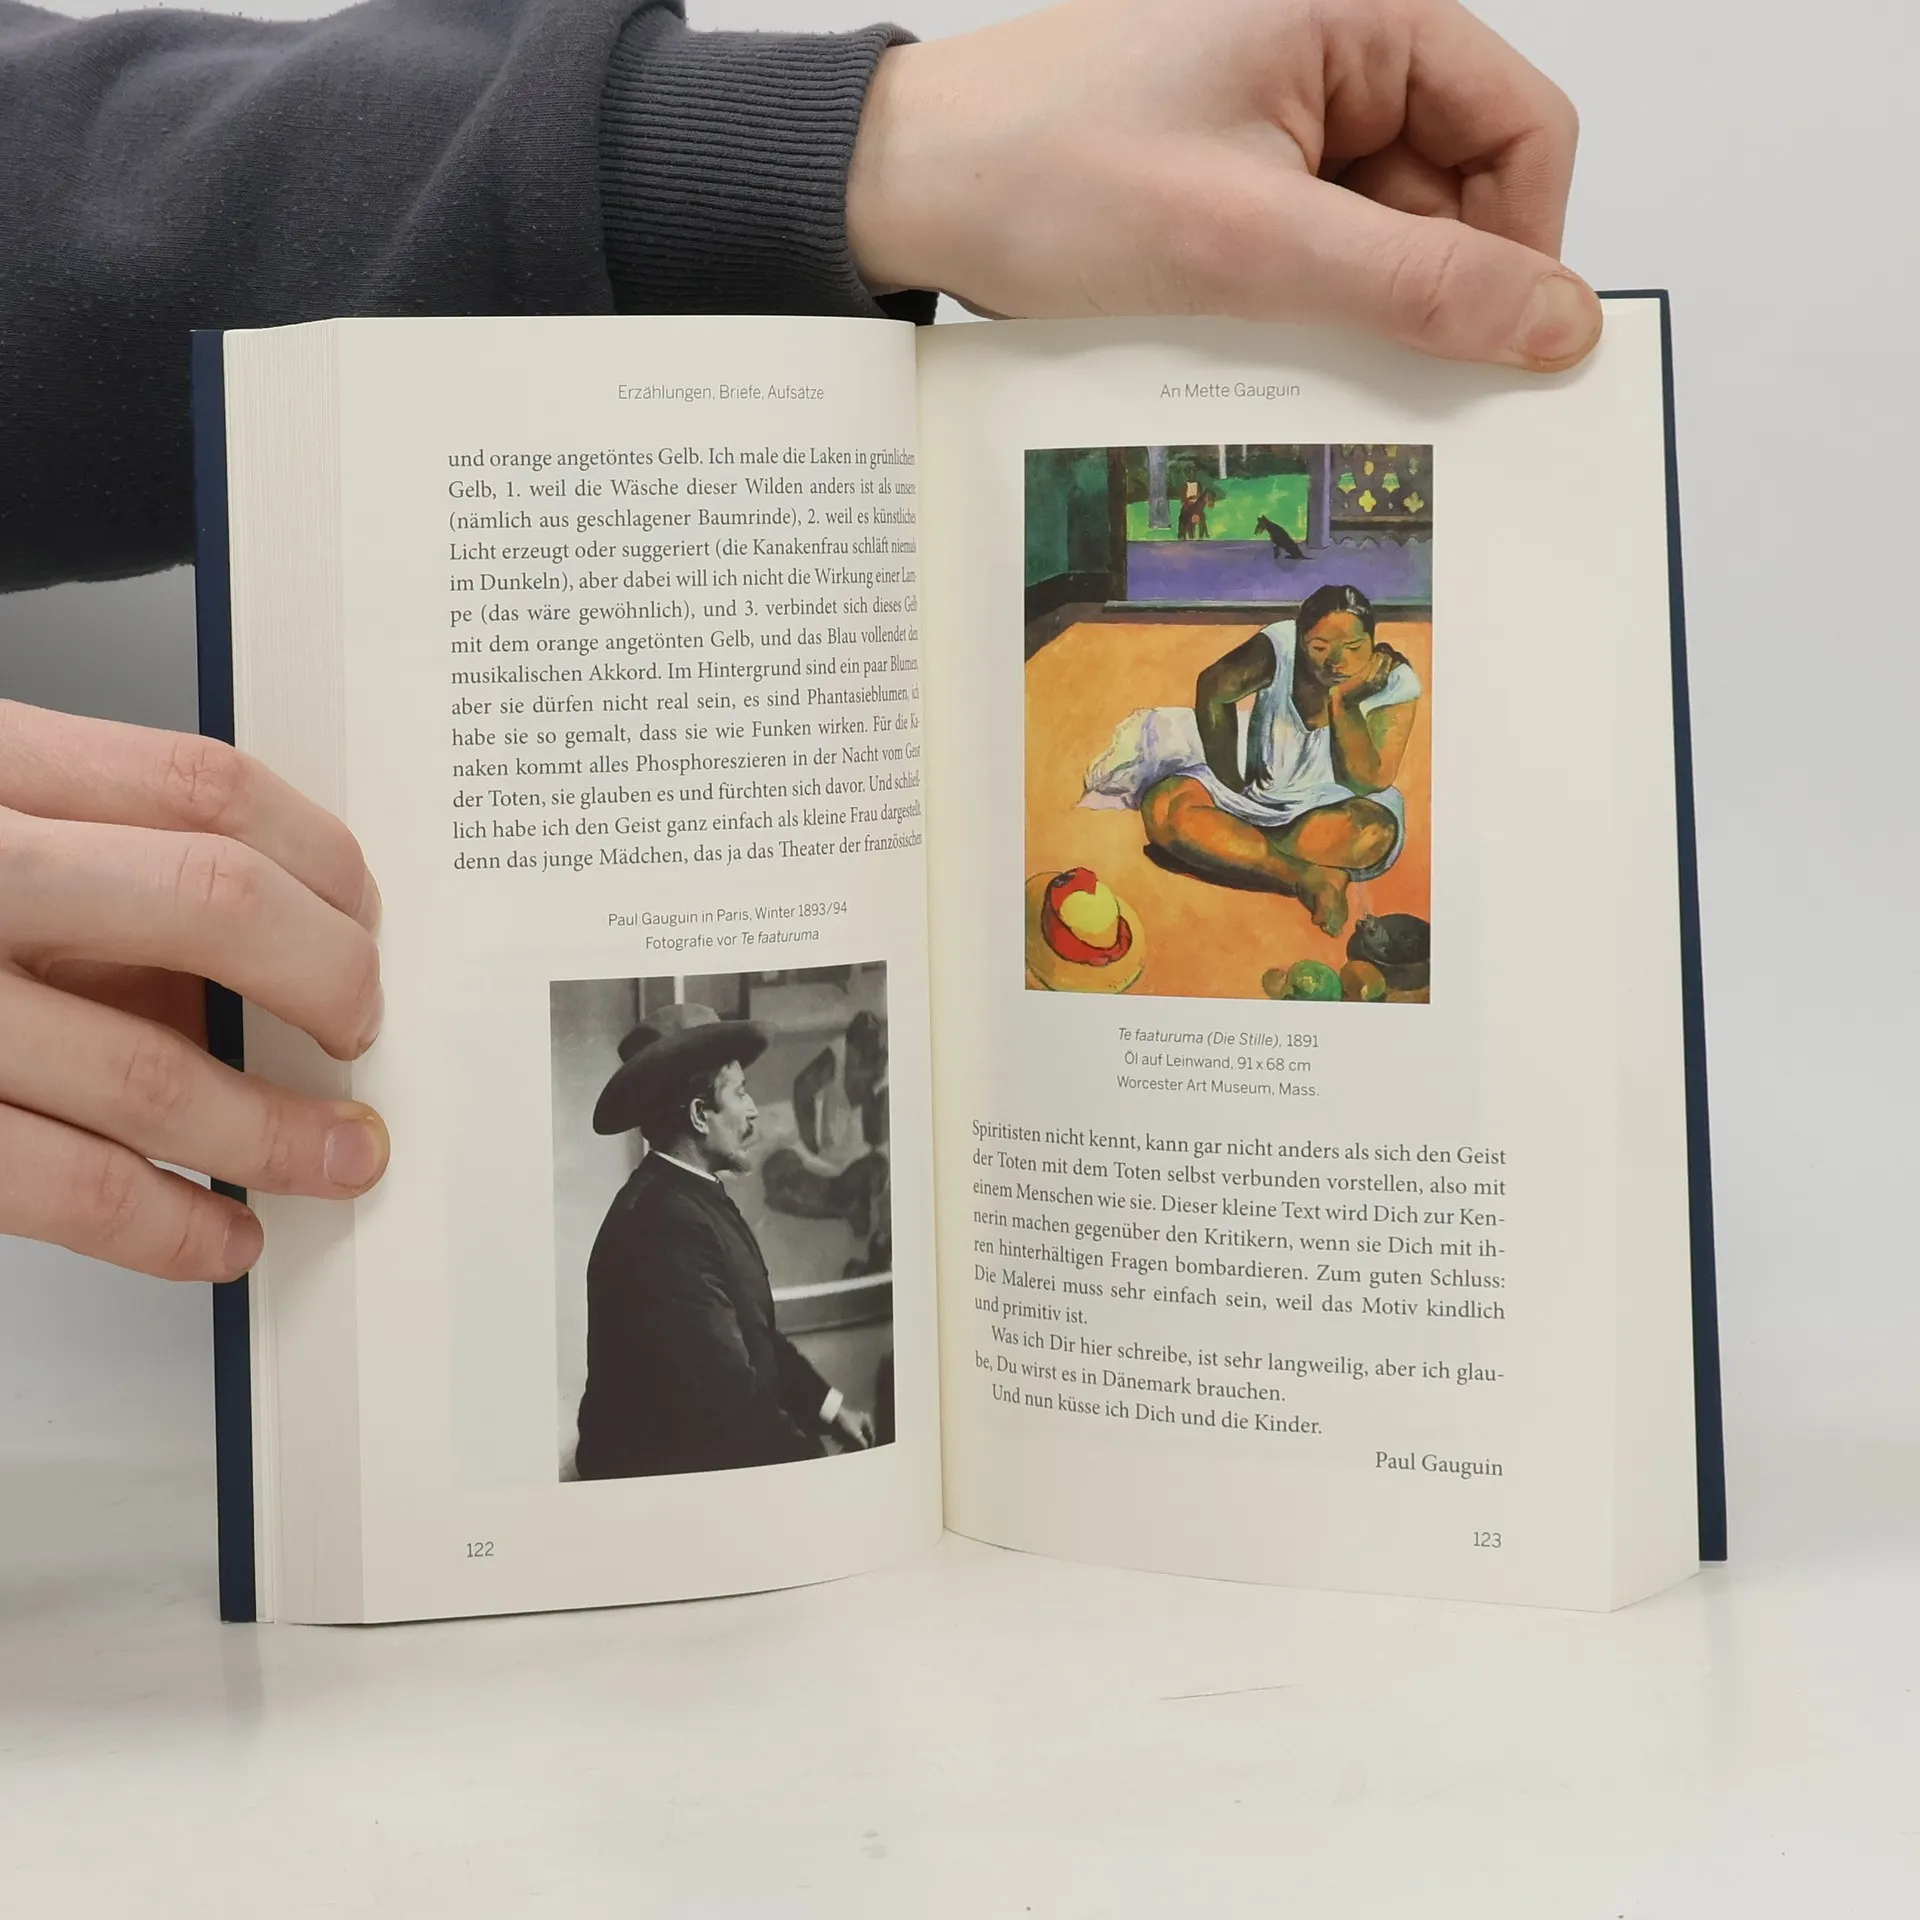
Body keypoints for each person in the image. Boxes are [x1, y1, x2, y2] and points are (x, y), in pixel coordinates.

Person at [0, 0, 1600, 1284]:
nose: (748, 1093)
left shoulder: (1370, 694)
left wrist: (857, 148)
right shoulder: (683, 1218)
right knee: (1177, 810)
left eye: (735, 1077)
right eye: (733, 1081)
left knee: (1330, 830)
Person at [572, 1002, 875, 1479]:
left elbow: (753, 1333)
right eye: (740, 1093)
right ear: (699, 1115)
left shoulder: (686, 1196)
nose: (753, 1110)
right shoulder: (661, 1225)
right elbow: (729, 1400)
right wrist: (820, 1477)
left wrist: (831, 1408)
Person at [1083, 584, 1418, 937]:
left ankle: (1243, 851)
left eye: (1354, 648)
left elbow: (1367, 781)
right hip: (1258, 797)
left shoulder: (1395, 679)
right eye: (1319, 648)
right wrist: (1229, 779)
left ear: (1372, 640)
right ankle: (1305, 875)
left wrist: (1343, 703)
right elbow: (1213, 686)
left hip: (1337, 809)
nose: (1337, 662)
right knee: (1164, 808)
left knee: (1373, 837)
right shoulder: (1280, 645)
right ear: (1300, 639)